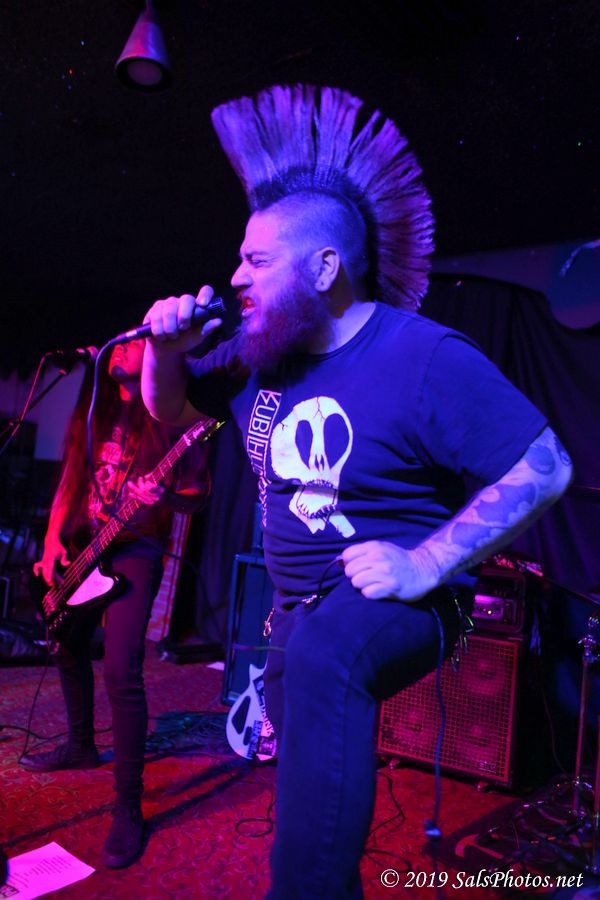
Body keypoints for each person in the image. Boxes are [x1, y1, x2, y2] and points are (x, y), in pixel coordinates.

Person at [140, 86, 573, 898]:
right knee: (304, 735)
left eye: (257, 262)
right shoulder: (261, 352)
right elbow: (169, 411)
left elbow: (545, 465)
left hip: (413, 599)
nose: (235, 277)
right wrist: (163, 350)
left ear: (324, 268)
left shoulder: (422, 355)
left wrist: (425, 563)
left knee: (327, 659)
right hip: (298, 609)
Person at [21, 338, 210, 869]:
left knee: (122, 668)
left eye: (138, 340)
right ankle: (80, 744)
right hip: (84, 542)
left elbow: (198, 494)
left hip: (136, 546)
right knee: (66, 641)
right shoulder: (94, 409)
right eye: (122, 342)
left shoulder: (173, 414)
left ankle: (128, 803)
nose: (125, 346)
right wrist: (52, 539)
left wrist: (164, 495)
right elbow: (72, 476)